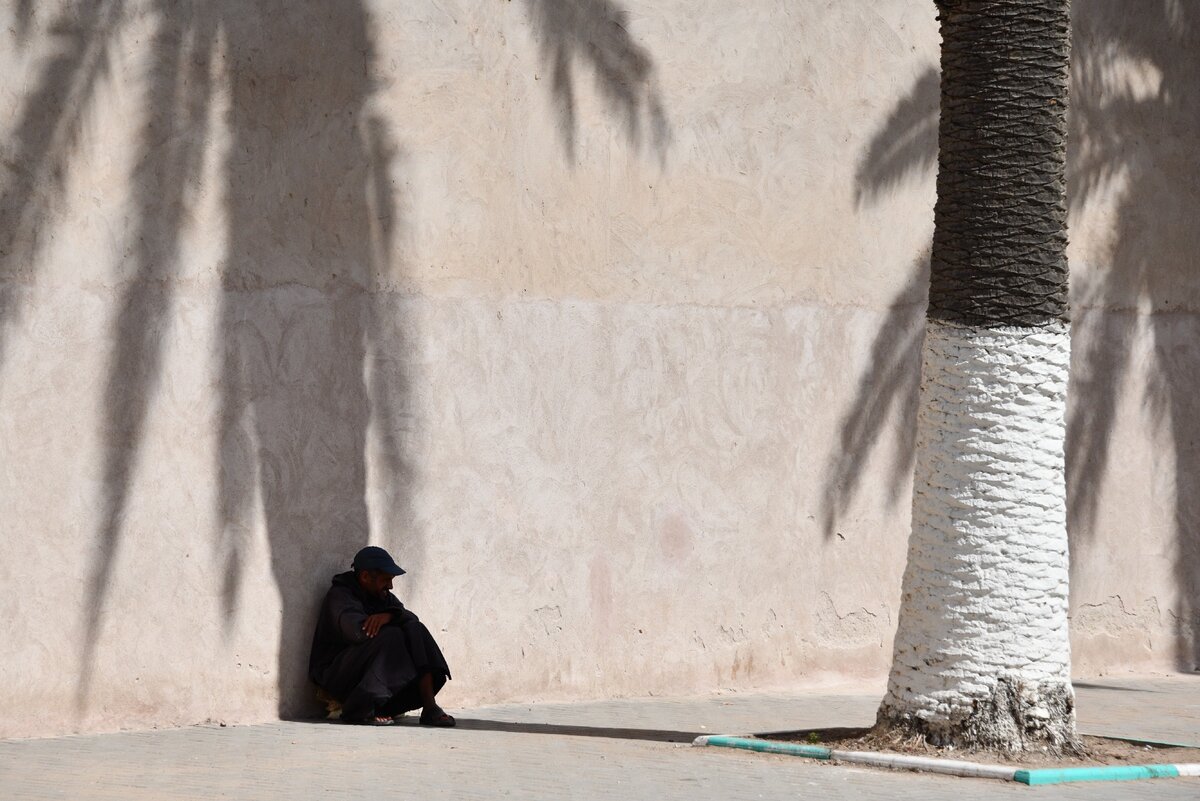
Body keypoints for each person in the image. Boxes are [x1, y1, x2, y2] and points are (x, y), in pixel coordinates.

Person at [308, 546, 454, 726]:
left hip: (367, 676)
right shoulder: (340, 596)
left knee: (415, 628)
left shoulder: (383, 596)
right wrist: (389, 622)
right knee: (392, 635)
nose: (390, 586)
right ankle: (360, 709)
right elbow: (359, 633)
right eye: (386, 580)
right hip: (336, 676)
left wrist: (389, 616)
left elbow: (409, 618)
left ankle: (429, 707)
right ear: (365, 577)